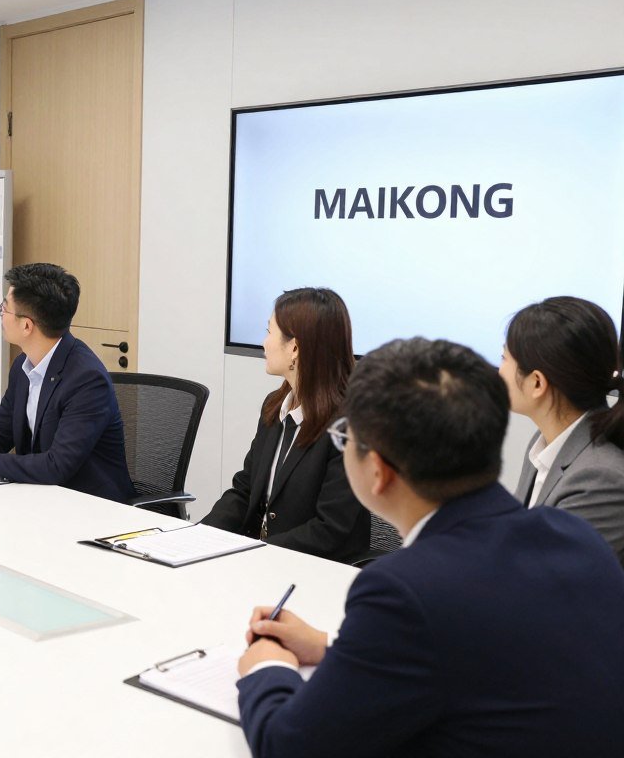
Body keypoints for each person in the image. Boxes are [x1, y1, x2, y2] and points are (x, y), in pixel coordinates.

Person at [236, 338, 624, 757]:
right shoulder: (574, 536)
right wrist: (329, 648)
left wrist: (266, 665)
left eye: (345, 437)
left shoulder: (403, 591)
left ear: (378, 470)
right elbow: (484, 657)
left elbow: (289, 746)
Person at [0, 263, 135, 502]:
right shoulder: (24, 364)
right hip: (40, 496)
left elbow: (57, 465)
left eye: (4, 309)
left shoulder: (87, 380)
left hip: (91, 505)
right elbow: (0, 433)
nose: (1, 315)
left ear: (26, 325)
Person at [202, 288, 369, 562]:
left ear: (294, 348)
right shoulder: (275, 407)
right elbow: (245, 490)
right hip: (266, 560)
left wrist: (254, 552)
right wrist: (200, 535)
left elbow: (330, 530)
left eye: (269, 332)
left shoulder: (349, 426)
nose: (264, 343)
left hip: (314, 570)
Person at [502, 297, 624, 565]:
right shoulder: (543, 443)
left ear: (537, 383)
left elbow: (539, 574)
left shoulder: (601, 478)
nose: (498, 372)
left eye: (504, 359)